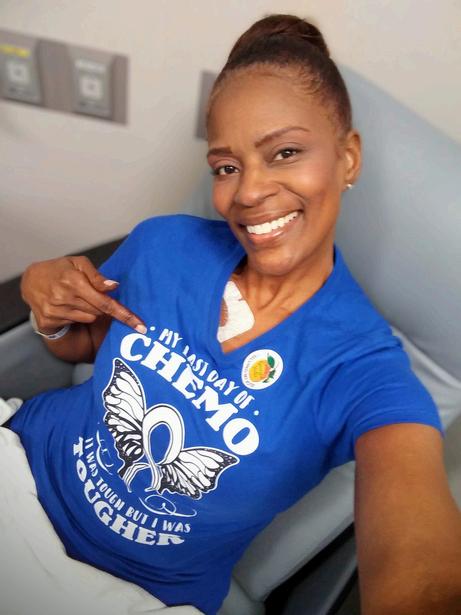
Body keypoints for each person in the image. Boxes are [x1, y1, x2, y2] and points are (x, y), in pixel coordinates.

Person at [10, 14, 461, 615]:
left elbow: (419, 569)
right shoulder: (165, 244)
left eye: (285, 152)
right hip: (18, 471)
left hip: (131, 592)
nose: (246, 193)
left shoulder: (365, 371)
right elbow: (84, 345)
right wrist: (47, 305)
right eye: (226, 166)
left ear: (348, 159)